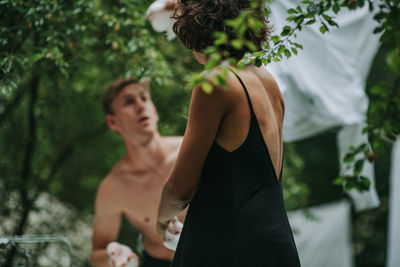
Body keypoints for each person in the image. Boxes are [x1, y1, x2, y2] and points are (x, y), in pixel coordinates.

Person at [157, 0, 301, 266]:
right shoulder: (269, 82)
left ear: (196, 29)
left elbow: (180, 189)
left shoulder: (216, 82)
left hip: (229, 246)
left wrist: (162, 220)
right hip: (276, 245)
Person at [91, 78, 185, 267]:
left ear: (155, 111)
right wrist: (112, 256)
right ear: (113, 122)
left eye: (144, 98)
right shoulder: (114, 187)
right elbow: (97, 254)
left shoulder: (189, 151)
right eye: (129, 102)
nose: (141, 106)